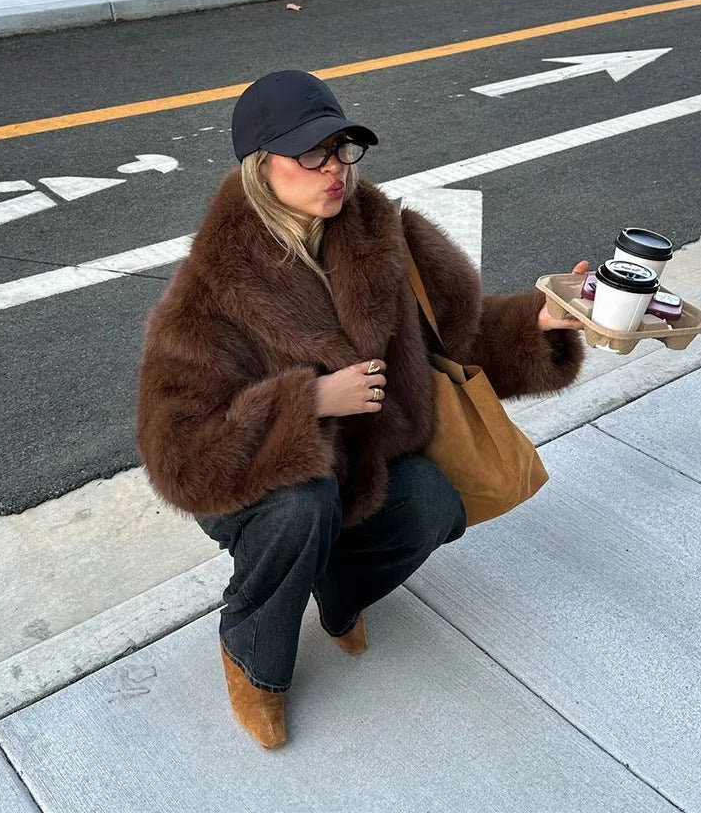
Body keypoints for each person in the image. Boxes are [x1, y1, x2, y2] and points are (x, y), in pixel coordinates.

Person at [136, 70, 586, 750]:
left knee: (433, 500)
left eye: (343, 148)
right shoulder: (208, 293)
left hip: (360, 473)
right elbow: (177, 456)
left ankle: (341, 590)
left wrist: (544, 322)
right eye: (310, 153)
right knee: (302, 505)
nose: (334, 169)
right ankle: (250, 649)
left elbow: (462, 340)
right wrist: (310, 402)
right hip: (248, 486)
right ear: (261, 167)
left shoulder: (388, 243)